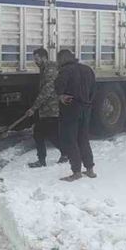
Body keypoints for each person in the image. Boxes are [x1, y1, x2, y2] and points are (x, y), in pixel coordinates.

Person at [54, 50, 97, 182]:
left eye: (58, 60)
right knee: (83, 138)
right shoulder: (88, 69)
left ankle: (76, 171)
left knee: (70, 140)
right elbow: (94, 89)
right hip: (86, 109)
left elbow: (58, 87)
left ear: (62, 59)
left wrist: (61, 96)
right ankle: (90, 169)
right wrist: (87, 102)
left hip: (70, 109)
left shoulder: (65, 71)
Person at [24, 48, 68, 168]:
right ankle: (64, 153)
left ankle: (45, 159)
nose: (35, 61)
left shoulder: (50, 69)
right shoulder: (44, 69)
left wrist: (33, 108)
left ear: (44, 57)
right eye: (34, 59)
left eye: (37, 59)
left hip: (52, 108)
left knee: (41, 133)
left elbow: (47, 90)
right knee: (49, 134)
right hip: (47, 109)